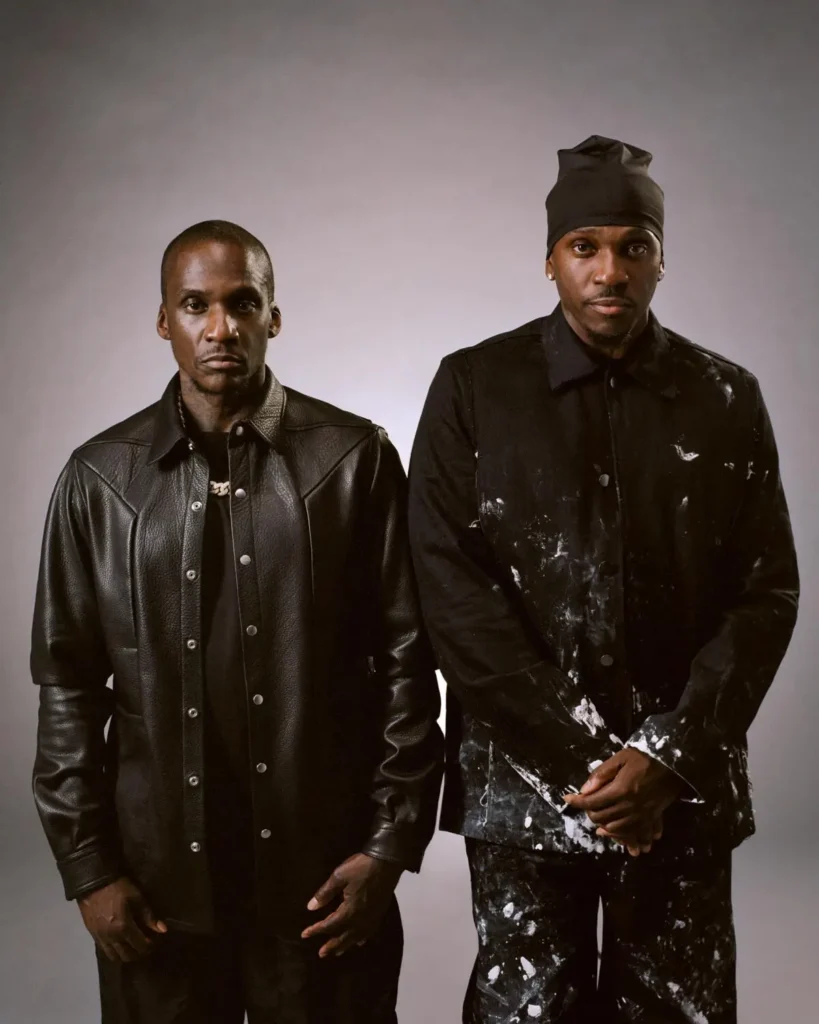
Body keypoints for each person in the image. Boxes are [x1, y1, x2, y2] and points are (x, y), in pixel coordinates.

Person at [407, 136, 799, 1023]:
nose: (609, 271)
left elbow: (765, 592)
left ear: (662, 259)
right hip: (523, 790)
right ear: (548, 258)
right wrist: (584, 761)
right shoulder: (473, 387)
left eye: (633, 246)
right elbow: (449, 592)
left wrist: (665, 755)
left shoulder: (725, 397)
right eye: (584, 246)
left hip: (679, 788)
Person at [31, 220, 444, 1023]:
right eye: (196, 305)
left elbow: (408, 662)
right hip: (156, 887)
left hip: (321, 876)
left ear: (273, 318)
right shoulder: (99, 479)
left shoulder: (351, 459)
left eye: (242, 303)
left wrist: (386, 847)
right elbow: (67, 687)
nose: (220, 327)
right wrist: (88, 869)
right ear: (164, 321)